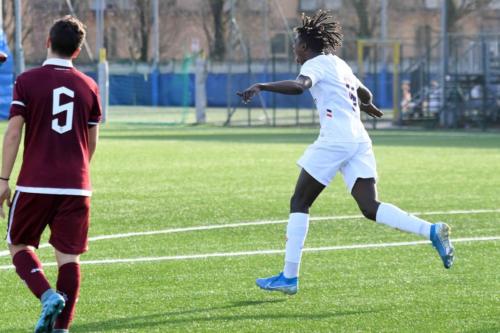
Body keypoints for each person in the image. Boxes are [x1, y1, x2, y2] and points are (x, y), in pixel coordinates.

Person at [237, 10, 454, 295]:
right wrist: (365, 106)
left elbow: (300, 87)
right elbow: (365, 94)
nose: (294, 50)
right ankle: (431, 230)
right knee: (370, 206)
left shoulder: (314, 64)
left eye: (295, 46)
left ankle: (289, 277)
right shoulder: (337, 63)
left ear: (304, 47)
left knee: (299, 201)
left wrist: (262, 85)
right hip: (359, 139)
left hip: (336, 139)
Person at [0, 16, 101, 332]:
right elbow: (91, 143)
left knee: (18, 245)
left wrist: (2, 180)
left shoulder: (27, 81)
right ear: (78, 50)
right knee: (69, 259)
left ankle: (46, 295)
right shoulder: (90, 86)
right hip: (77, 185)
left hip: (36, 183)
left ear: (47, 41)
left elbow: (14, 133)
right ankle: (61, 328)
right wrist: (75, 174)